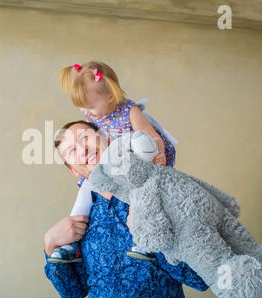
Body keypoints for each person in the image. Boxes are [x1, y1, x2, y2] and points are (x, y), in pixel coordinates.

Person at [43, 121, 208, 298]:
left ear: (106, 138)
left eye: (84, 138)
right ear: (73, 171)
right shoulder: (81, 221)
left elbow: (201, 279)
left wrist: (152, 236)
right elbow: (73, 293)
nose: (83, 150)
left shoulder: (161, 194)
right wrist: (49, 245)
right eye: (71, 151)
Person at [48, 61, 177, 263]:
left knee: (140, 196)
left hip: (137, 165)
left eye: (89, 107)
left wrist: (158, 153)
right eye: (81, 109)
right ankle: (69, 246)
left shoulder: (130, 112)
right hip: (110, 170)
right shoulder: (97, 120)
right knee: (84, 191)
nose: (85, 113)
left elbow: (151, 136)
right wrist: (50, 243)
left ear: (109, 96)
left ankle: (143, 239)